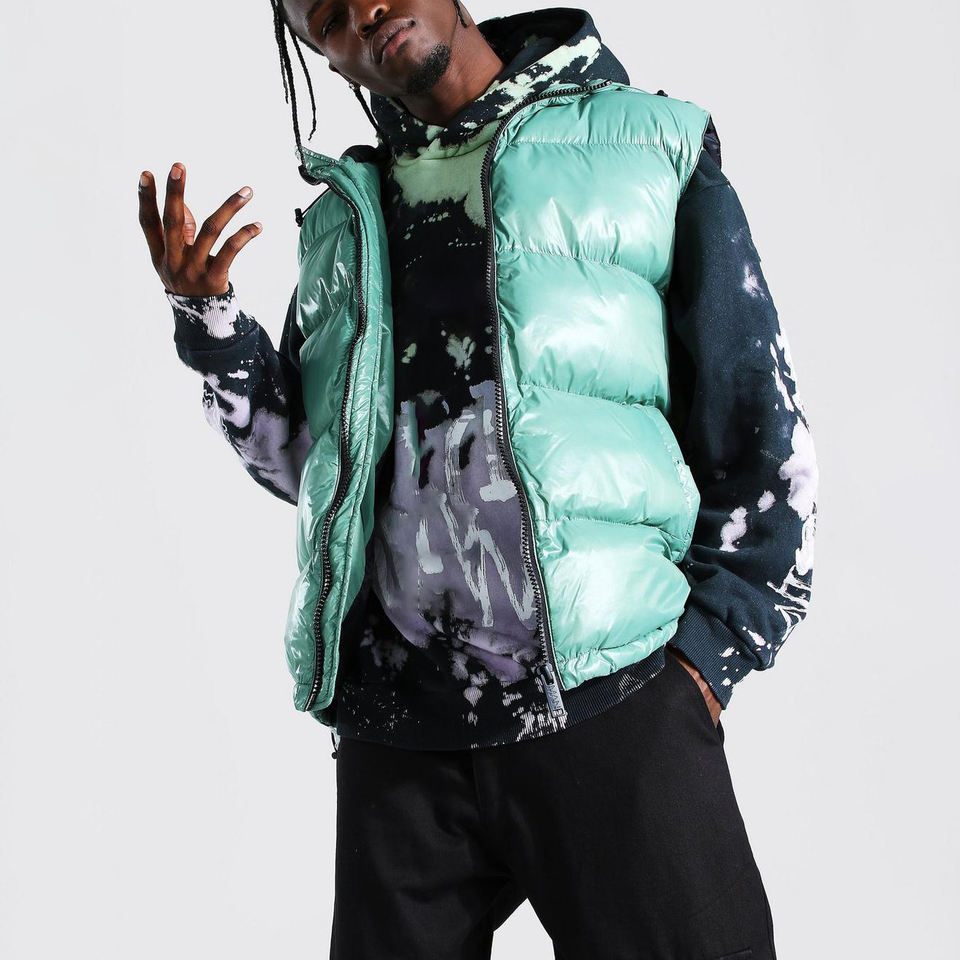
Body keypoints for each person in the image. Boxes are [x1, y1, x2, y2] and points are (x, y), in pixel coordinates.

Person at [138, 2, 818, 956]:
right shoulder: (346, 221)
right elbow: (315, 473)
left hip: (613, 697)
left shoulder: (648, 145)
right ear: (322, 56)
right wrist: (210, 327)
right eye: (325, 15)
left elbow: (758, 424)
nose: (363, 10)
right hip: (399, 737)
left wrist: (706, 660)